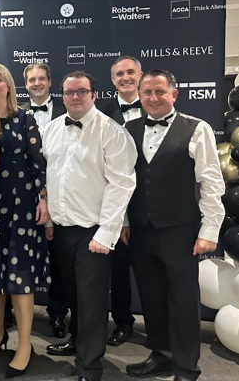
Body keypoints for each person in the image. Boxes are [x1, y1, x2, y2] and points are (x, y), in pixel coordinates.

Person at [124, 70, 224, 381]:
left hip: (181, 229)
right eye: (147, 93)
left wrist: (209, 231)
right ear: (139, 95)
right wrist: (125, 221)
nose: (153, 98)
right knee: (152, 297)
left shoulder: (197, 129)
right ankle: (161, 355)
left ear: (174, 94)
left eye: (159, 92)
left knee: (182, 301)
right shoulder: (128, 128)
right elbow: (122, 181)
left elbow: (211, 182)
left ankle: (186, 367)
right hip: (140, 228)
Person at [42, 71, 137, 381]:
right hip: (62, 229)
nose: (75, 97)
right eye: (69, 92)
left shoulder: (111, 131)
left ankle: (89, 367)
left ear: (94, 95)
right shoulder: (53, 129)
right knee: (73, 296)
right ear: (63, 95)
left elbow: (121, 185)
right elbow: (50, 175)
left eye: (82, 91)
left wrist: (106, 233)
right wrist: (50, 214)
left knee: (92, 301)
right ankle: (77, 342)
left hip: (94, 231)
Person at [0, 62, 48, 378]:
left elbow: (39, 163)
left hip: (20, 206)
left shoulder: (24, 118)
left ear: (8, 85)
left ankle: (23, 345)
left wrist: (43, 198)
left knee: (19, 277)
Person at [96, 55, 146, 346]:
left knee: (153, 270)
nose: (125, 77)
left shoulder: (157, 107)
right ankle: (123, 322)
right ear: (112, 80)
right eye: (119, 74)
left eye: (130, 72)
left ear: (139, 75)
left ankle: (161, 327)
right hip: (114, 204)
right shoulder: (100, 113)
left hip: (151, 202)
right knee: (117, 271)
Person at [19, 62, 68, 340]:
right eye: (31, 80)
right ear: (25, 84)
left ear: (50, 82)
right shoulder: (18, 114)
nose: (36, 83)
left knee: (59, 260)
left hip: (62, 194)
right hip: (24, 195)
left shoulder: (67, 111)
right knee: (21, 256)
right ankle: (15, 313)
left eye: (41, 79)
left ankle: (58, 314)